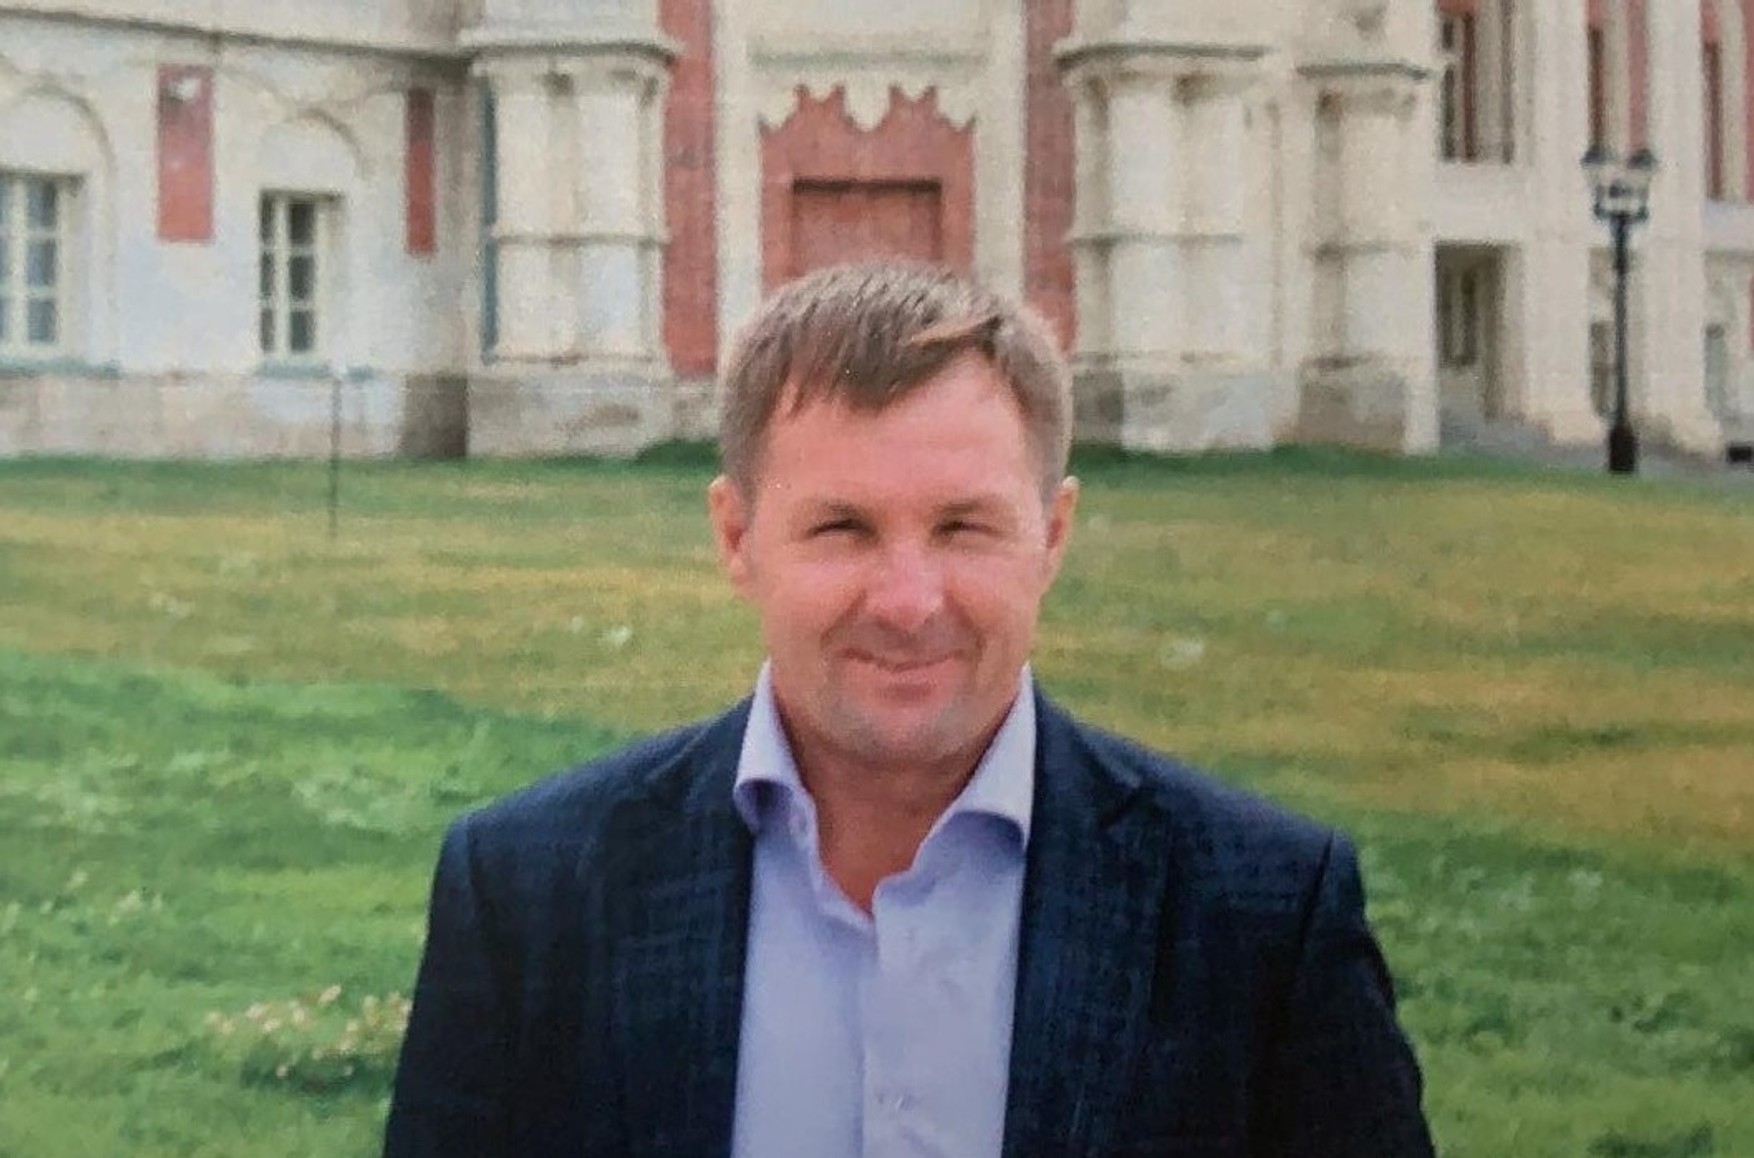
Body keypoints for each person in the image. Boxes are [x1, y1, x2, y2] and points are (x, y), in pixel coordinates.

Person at [383, 261, 1435, 1157]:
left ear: (1052, 536)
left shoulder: (1260, 917)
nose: (906, 601)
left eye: (963, 528)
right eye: (841, 528)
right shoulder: (529, 895)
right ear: (736, 538)